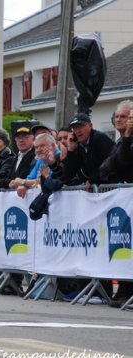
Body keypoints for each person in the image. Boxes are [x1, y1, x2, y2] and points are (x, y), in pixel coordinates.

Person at [98, 100, 133, 307]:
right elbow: (105, 168)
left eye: (124, 116)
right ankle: (123, 289)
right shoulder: (119, 140)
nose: (119, 120)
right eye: (117, 116)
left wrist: (128, 135)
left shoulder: (128, 139)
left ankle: (127, 290)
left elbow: (122, 161)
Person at [63, 113, 115, 189]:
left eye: (80, 126)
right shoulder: (79, 146)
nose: (77, 131)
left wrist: (92, 180)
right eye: (74, 128)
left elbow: (110, 164)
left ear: (90, 126)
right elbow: (68, 174)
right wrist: (70, 150)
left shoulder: (100, 139)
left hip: (110, 187)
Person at [0, 127, 36, 192]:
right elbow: (11, 179)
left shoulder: (34, 156)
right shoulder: (18, 156)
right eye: (18, 138)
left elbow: (21, 179)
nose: (21, 140)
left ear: (33, 139)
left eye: (25, 137)